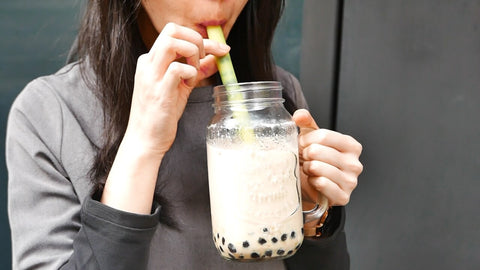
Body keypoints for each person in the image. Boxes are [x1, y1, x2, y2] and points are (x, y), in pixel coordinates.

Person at [6, 0, 363, 269]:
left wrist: (314, 212)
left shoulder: (278, 95)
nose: (218, 2)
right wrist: (143, 145)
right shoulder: (49, 113)